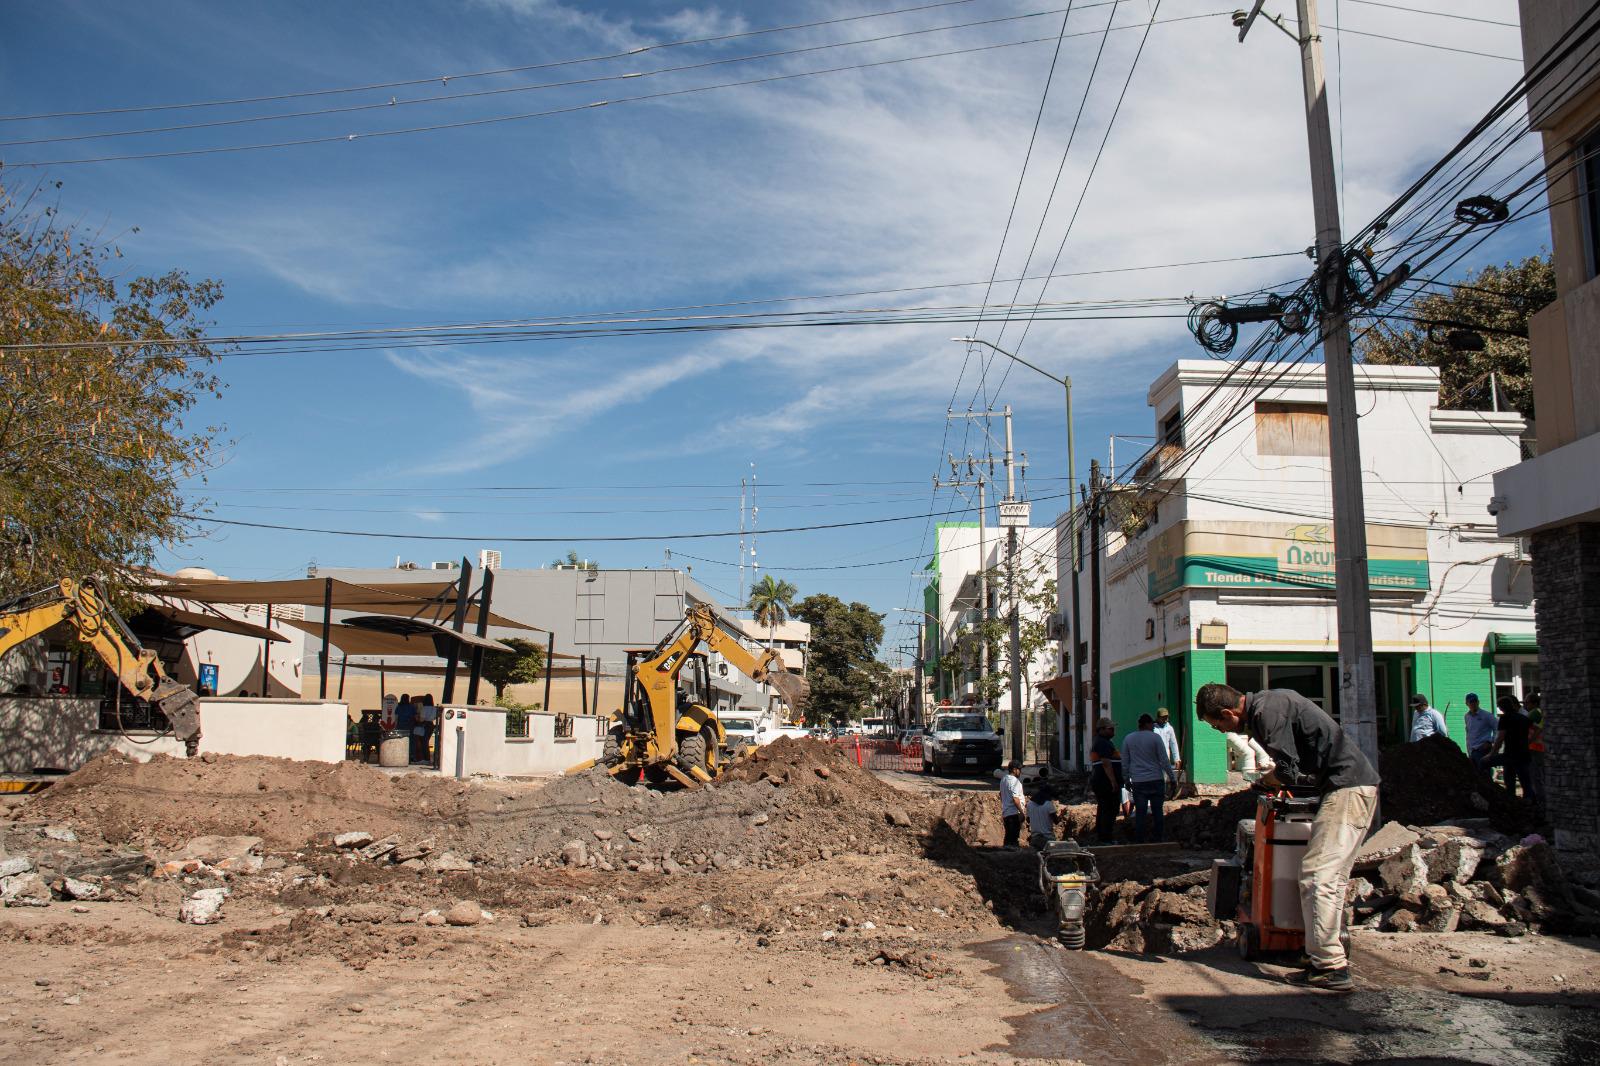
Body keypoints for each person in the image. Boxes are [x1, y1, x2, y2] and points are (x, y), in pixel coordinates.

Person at [1196, 682, 1379, 993]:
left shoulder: (1267, 713)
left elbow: (1288, 770)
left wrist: (1264, 781)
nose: (1220, 731)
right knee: (1324, 878)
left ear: (1228, 713)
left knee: (1318, 877)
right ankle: (1319, 954)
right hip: (1342, 787)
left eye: (1218, 725)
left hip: (1348, 788)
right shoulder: (1271, 703)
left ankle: (1331, 967)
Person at [1121, 714, 1177, 843]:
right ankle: (1158, 838)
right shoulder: (1155, 738)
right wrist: (1172, 778)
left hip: (1139, 781)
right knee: (1158, 811)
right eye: (1151, 724)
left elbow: (1125, 762)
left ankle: (1139, 839)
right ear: (1146, 724)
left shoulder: (1129, 739)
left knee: (1140, 811)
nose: (1153, 726)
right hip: (1156, 780)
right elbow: (1164, 760)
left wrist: (1126, 779)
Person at [1487, 694, 1535, 802]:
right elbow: (1534, 730)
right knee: (1525, 782)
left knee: (1509, 781)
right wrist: (1528, 741)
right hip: (1524, 754)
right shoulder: (1523, 718)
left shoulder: (1505, 719)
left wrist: (1492, 754)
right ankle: (1530, 804)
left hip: (1510, 755)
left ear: (1502, 708)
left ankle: (1512, 803)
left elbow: (1500, 738)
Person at [1088, 718, 1122, 844]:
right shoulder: (1103, 743)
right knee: (1109, 809)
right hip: (1105, 783)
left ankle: (1103, 836)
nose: (1113, 731)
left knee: (1105, 808)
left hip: (1102, 782)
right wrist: (1113, 781)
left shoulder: (1103, 741)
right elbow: (1106, 763)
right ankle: (1105, 838)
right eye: (1110, 729)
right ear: (1101, 729)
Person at [1463, 692, 1496, 772]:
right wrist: (1469, 750)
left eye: (1475, 701)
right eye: (1471, 702)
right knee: (1476, 774)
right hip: (1472, 750)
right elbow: (1468, 733)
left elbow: (1498, 728)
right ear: (1467, 703)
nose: (1473, 703)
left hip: (1483, 749)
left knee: (1484, 773)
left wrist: (1490, 741)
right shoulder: (1467, 716)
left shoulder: (1486, 715)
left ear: (1478, 702)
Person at [1525, 690, 1545, 809]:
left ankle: (1540, 802)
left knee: (1535, 777)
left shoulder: (1534, 713)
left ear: (1533, 703)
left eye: (1526, 702)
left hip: (1535, 749)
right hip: (1537, 749)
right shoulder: (1538, 712)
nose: (1525, 705)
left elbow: (1523, 725)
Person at [999, 762, 1025, 848]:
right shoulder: (1014, 781)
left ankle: (1006, 856)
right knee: (1013, 839)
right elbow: (1015, 799)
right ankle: (1013, 857)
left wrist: (1005, 805)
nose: (1020, 772)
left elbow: (1001, 795)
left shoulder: (1003, 779)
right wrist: (1021, 812)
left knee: (1008, 838)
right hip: (1014, 813)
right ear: (1014, 770)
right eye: (1019, 770)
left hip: (1006, 813)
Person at [1026, 785, 1060, 850]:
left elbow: (1028, 820)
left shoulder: (1029, 804)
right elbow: (1056, 821)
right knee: (1052, 858)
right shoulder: (1048, 804)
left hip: (1035, 839)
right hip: (1048, 839)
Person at [1153, 706, 1182, 778]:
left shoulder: (1169, 728)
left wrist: (1177, 758)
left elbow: (1173, 743)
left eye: (1166, 717)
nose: (1165, 720)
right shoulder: (1153, 728)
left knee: (1164, 778)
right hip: (1154, 757)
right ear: (1158, 717)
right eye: (1163, 718)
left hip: (1165, 757)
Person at [414, 693, 439, 764]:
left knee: (423, 742)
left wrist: (417, 717)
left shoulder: (424, 708)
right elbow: (436, 717)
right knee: (426, 741)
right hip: (431, 725)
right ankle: (427, 758)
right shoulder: (435, 708)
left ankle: (425, 758)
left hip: (424, 725)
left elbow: (421, 719)